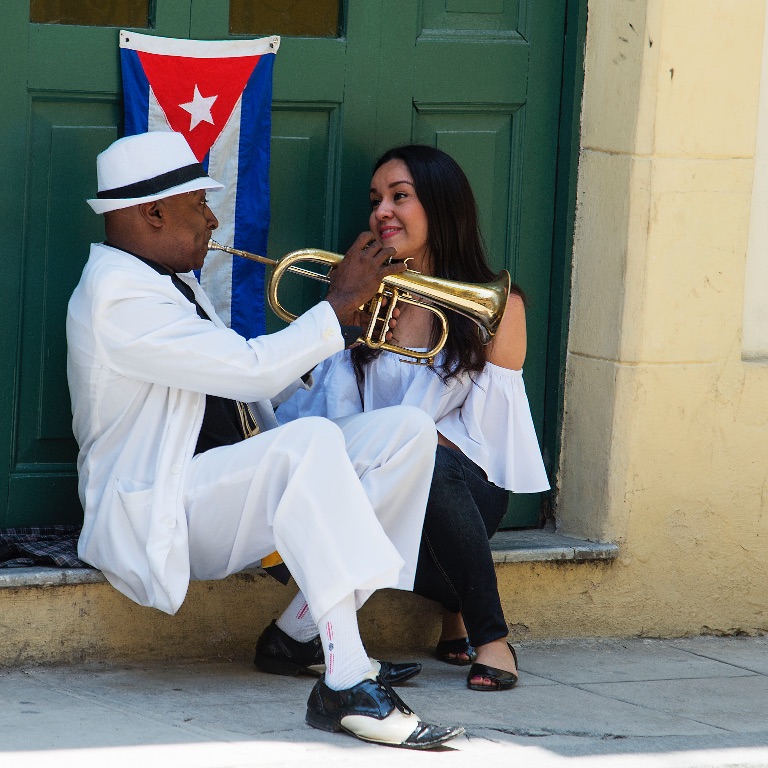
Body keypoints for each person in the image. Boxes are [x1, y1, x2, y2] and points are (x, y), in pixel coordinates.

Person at [66, 131, 464, 748]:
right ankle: (347, 680)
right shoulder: (117, 295)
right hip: (158, 510)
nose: (210, 218)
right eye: (199, 203)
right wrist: (333, 310)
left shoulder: (166, 279)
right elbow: (250, 367)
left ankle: (297, 636)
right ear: (152, 212)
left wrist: (341, 335)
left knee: (406, 433)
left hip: (211, 489)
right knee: (305, 446)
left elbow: (235, 386)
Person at [275, 144, 550, 692]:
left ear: (442, 208)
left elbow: (492, 441)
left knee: (426, 451)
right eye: (376, 199)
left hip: (464, 487)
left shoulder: (497, 305)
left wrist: (408, 446)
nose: (382, 211)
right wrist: (341, 311)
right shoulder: (366, 290)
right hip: (381, 492)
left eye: (401, 197)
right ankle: (454, 609)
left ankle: (491, 636)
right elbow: (335, 412)